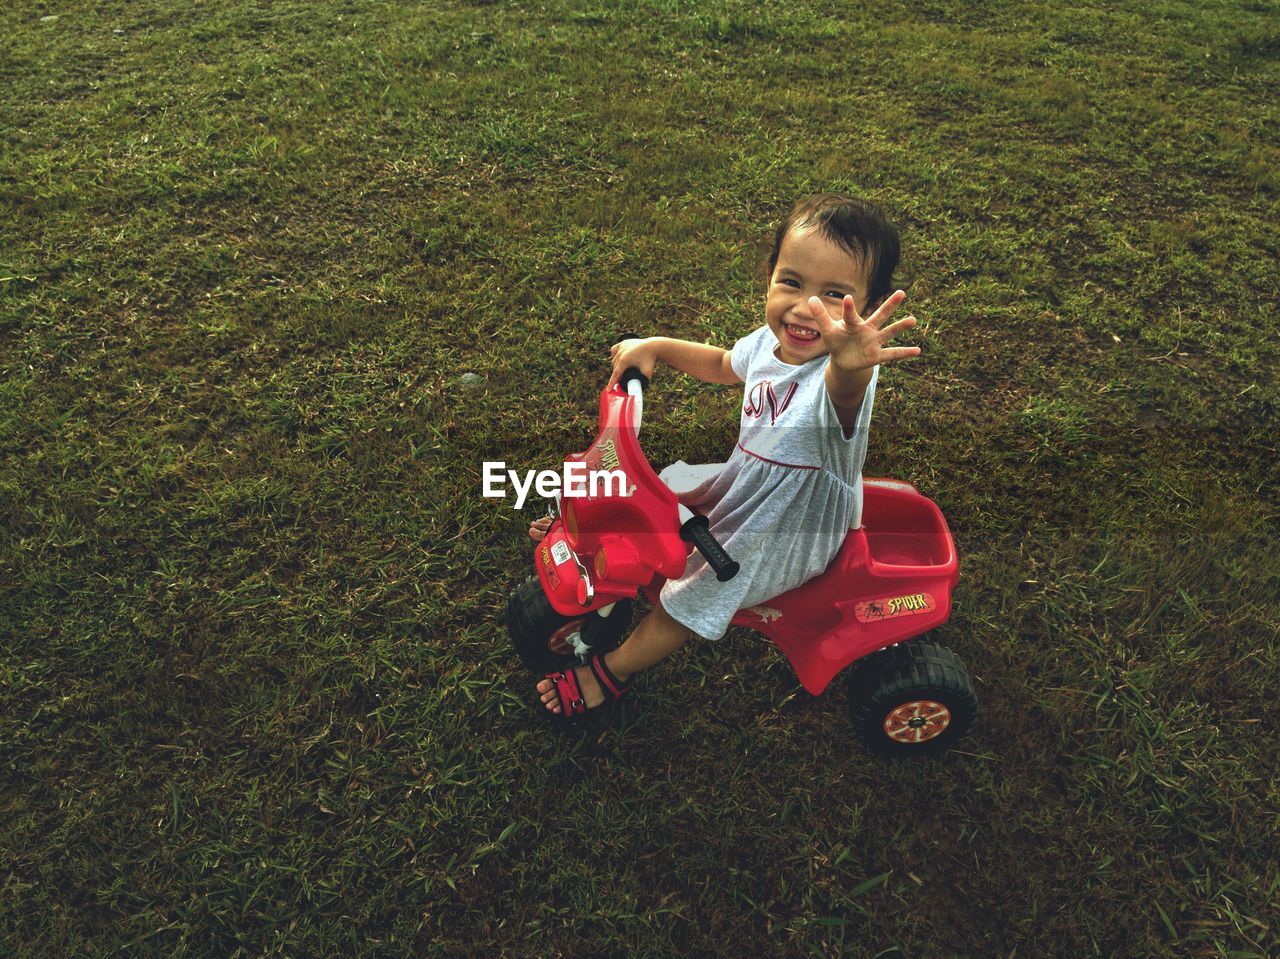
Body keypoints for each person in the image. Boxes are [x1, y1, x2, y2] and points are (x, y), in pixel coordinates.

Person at [530, 193, 921, 719]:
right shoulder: (770, 342)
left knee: (698, 589)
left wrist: (853, 366)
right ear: (769, 275)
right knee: (666, 489)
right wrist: (658, 346)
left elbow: (845, 389)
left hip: (788, 529)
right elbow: (721, 363)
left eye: (835, 295)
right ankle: (598, 531)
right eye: (792, 282)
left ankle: (612, 671)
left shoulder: (839, 382)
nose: (806, 307)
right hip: (749, 484)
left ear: (866, 310)